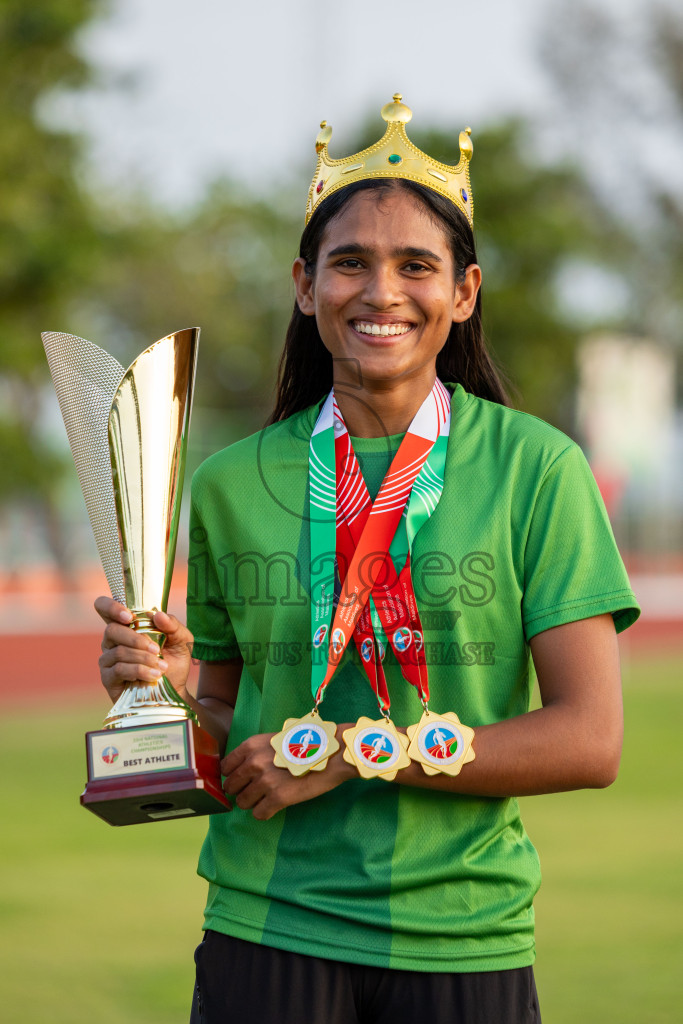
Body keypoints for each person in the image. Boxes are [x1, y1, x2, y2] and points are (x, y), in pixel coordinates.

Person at [96, 95, 640, 1024]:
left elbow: (589, 740)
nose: (380, 291)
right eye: (350, 263)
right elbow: (231, 725)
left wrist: (357, 751)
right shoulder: (231, 482)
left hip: (464, 934)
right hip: (266, 928)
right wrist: (165, 693)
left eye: (415, 265)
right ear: (305, 285)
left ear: (462, 293)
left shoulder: (536, 468)